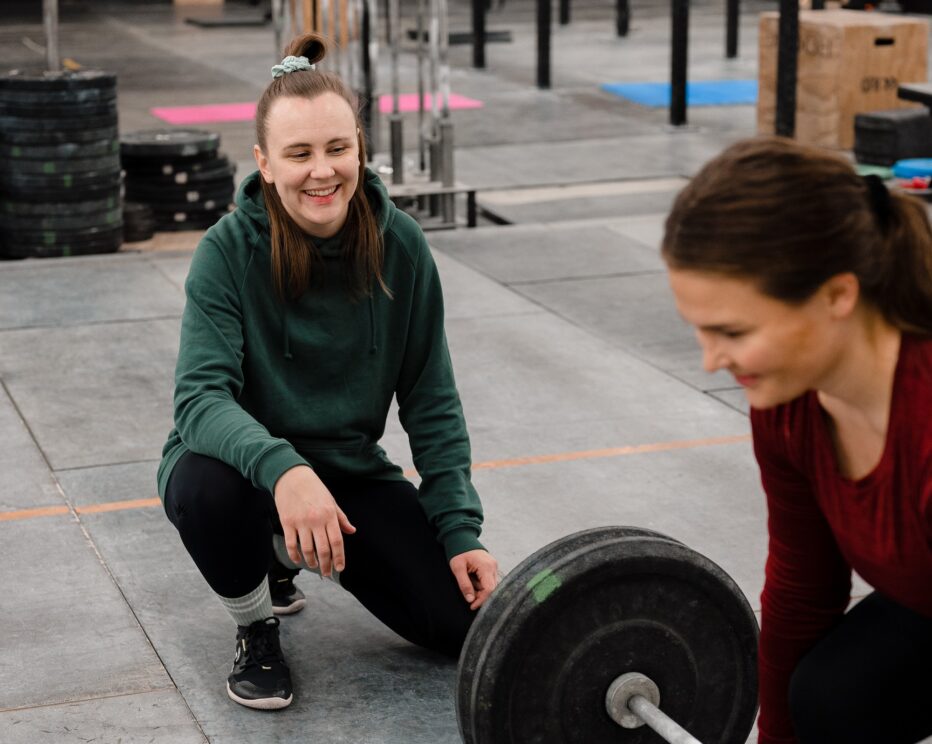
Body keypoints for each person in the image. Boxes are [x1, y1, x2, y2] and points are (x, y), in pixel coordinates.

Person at [156, 33, 499, 711]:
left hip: (346, 474)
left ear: (360, 150)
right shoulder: (227, 251)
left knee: (464, 629)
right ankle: (256, 622)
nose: (322, 172)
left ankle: (282, 554)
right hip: (242, 471)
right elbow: (199, 401)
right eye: (299, 154)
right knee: (203, 486)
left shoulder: (400, 244)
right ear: (264, 161)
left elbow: (431, 397)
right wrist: (284, 469)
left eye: (337, 149)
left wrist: (460, 530)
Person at [661, 136, 932, 744]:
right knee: (831, 695)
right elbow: (803, 590)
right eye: (700, 333)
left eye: (732, 331)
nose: (711, 362)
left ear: (838, 295)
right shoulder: (788, 402)